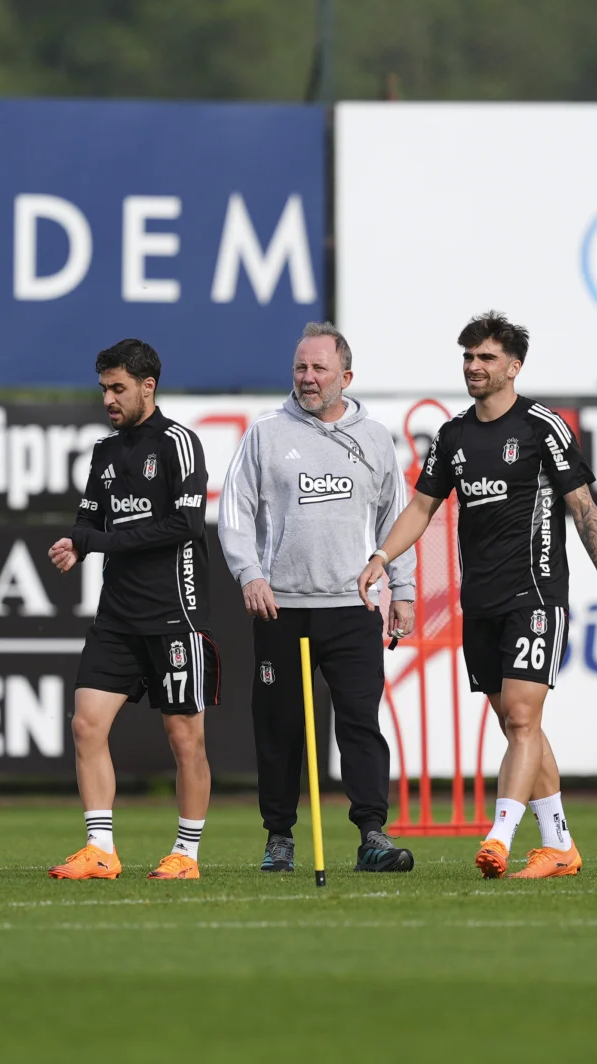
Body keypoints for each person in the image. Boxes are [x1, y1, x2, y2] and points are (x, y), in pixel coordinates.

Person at [357, 312, 597, 880]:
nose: (473, 367)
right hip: (479, 604)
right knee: (516, 725)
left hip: (535, 595)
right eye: (468, 357)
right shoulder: (453, 437)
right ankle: (559, 846)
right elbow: (422, 508)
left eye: (485, 358)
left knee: (524, 717)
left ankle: (500, 837)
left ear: (513, 367)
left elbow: (582, 507)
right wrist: (382, 558)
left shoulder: (541, 428)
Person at [220, 322, 417, 874]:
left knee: (359, 722)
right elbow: (234, 510)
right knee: (278, 725)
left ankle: (372, 834)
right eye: (300, 368)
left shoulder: (375, 438)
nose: (308, 378)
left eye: (319, 369)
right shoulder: (264, 432)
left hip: (352, 606)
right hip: (280, 605)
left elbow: (397, 522)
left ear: (345, 376)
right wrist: (249, 574)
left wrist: (401, 588)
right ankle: (278, 837)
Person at [47, 339, 217, 881]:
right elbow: (88, 519)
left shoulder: (178, 444)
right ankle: (101, 848)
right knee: (85, 725)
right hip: (116, 616)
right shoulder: (105, 452)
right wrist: (78, 542)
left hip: (173, 614)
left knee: (184, 737)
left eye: (118, 388)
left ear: (148, 386)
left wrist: (102, 543)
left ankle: (185, 854)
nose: (109, 400)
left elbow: (185, 526)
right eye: (104, 389)